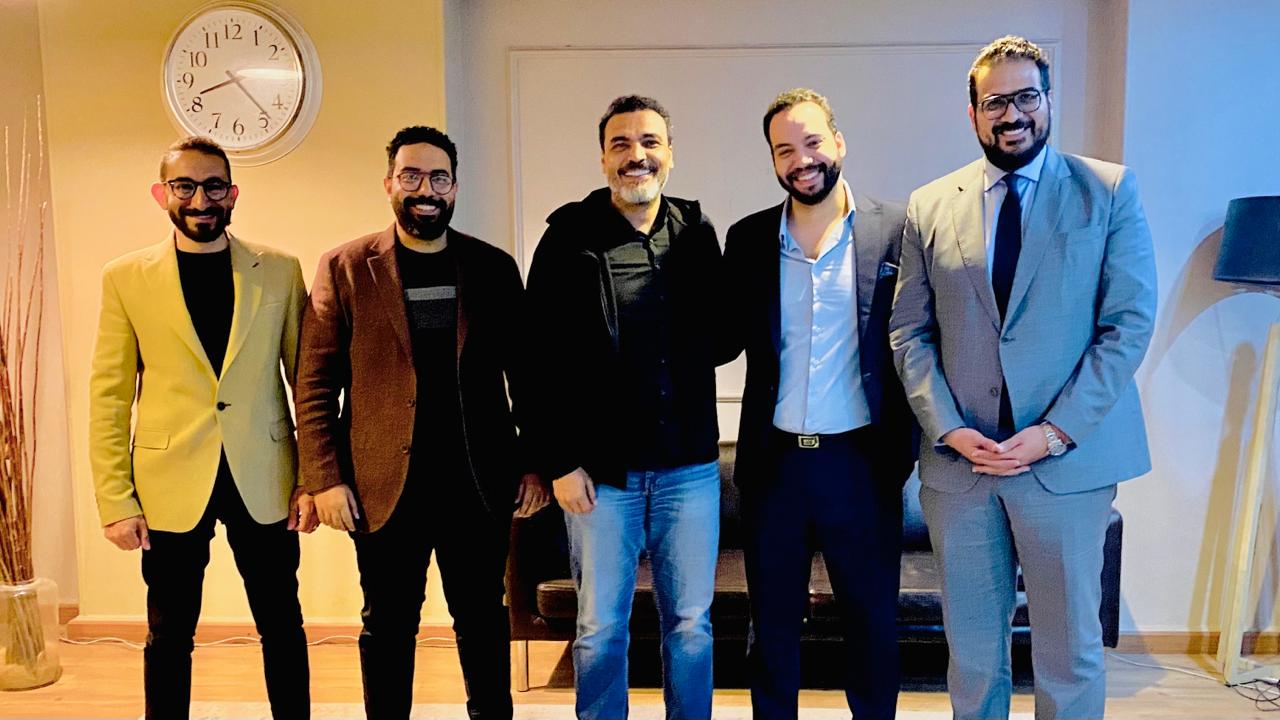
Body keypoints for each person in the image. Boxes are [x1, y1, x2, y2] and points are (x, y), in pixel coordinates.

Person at [890, 35, 1157, 720]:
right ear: (973, 113)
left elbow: (1126, 326)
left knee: (1068, 656)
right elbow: (909, 332)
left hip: (1065, 466)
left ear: (1048, 99)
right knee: (974, 656)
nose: (1012, 114)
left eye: (1026, 97)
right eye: (995, 102)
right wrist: (948, 427)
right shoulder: (929, 205)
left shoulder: (1107, 191)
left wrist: (1054, 431)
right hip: (963, 469)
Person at [294, 125, 546, 720]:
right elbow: (314, 383)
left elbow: (529, 377)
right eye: (411, 176)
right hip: (382, 486)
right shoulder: (346, 267)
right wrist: (325, 478)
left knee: (483, 618)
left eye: (438, 177)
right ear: (389, 183)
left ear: (455, 187)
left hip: (478, 482)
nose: (425, 190)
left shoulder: (493, 267)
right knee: (387, 623)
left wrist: (535, 464)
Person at [88, 136, 314, 720]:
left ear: (233, 194)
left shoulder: (280, 271)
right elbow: (109, 395)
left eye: (213, 186)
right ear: (161, 194)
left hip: (264, 475)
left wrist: (312, 479)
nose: (199, 199)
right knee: (169, 633)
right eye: (184, 186)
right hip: (168, 480)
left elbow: (307, 384)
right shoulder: (125, 278)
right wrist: (115, 500)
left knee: (282, 623)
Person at [719, 88, 917, 720]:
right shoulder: (748, 238)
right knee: (772, 631)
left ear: (838, 142)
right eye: (785, 150)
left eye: (812, 142)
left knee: (871, 625)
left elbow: (920, 338)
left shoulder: (896, 229)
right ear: (773, 161)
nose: (801, 160)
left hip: (861, 465)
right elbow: (720, 337)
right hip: (773, 467)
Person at [525, 95, 722, 720]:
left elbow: (723, 336)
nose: (637, 155)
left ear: (670, 154)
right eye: (621, 144)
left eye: (649, 142)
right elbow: (534, 362)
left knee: (691, 623)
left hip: (689, 468)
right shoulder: (567, 240)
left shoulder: (696, 233)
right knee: (600, 626)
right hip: (600, 475)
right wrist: (559, 461)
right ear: (604, 158)